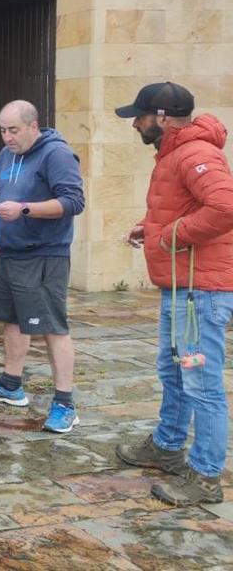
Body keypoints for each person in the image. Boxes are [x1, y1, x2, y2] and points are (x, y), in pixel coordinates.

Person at [112, 82, 233, 506]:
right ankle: (166, 445)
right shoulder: (176, 153)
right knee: (174, 372)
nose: (135, 124)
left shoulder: (197, 154)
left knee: (201, 384)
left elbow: (225, 208)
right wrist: (153, 229)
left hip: (201, 292)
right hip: (183, 287)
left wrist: (171, 236)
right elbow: (188, 209)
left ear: (161, 117)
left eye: (139, 116)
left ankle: (204, 477)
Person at [0, 100, 85, 434]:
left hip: (45, 255)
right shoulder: (7, 155)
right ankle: (10, 384)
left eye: (13, 130)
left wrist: (24, 210)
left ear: (33, 126)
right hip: (10, 254)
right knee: (14, 320)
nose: (7, 137)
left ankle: (65, 403)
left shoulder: (57, 155)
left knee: (52, 326)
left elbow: (73, 202)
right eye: (3, 130)